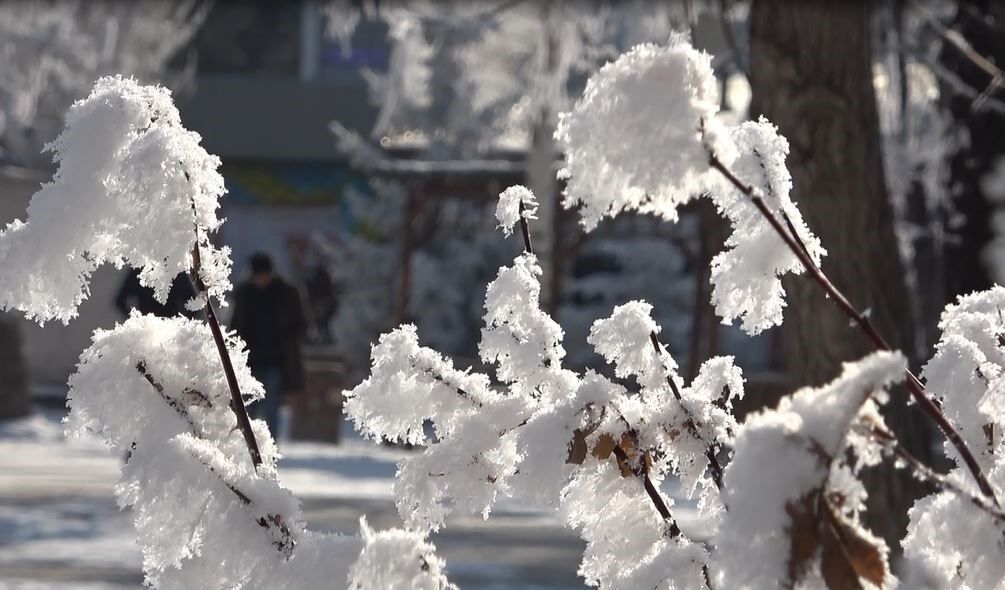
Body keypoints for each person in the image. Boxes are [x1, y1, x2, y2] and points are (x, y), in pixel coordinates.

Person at [228, 252, 307, 437]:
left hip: (276, 360)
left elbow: (300, 324)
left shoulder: (287, 293)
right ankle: (247, 446)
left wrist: (287, 343)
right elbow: (236, 326)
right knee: (249, 409)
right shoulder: (245, 293)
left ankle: (270, 447)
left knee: (272, 408)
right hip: (251, 361)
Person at [115, 268, 196, 319]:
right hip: (168, 327)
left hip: (151, 327)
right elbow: (120, 301)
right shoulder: (175, 269)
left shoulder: (140, 270)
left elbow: (120, 301)